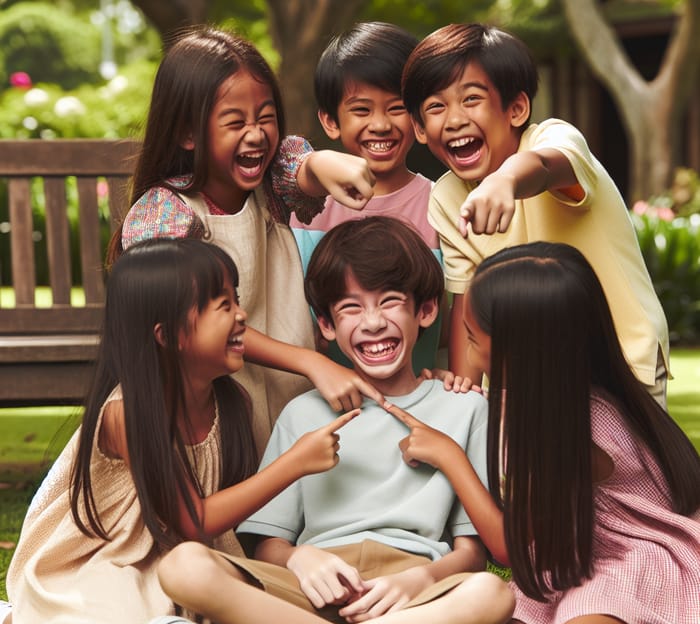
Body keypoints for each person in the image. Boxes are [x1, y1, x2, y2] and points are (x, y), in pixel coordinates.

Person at [133, 217, 514, 624]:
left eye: (390, 302)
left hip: (416, 586)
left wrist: (420, 581)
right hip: (311, 587)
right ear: (327, 326)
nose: (373, 322)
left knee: (492, 596)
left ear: (427, 310)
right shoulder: (302, 412)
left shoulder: (465, 408)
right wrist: (300, 561)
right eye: (351, 308)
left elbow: (471, 553)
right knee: (185, 566)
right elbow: (268, 542)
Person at [0, 238, 361, 624]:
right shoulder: (127, 413)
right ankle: (15, 622)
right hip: (103, 555)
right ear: (167, 335)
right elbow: (193, 519)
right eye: (222, 305)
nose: (241, 314)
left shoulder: (231, 404)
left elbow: (204, 529)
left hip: (177, 555)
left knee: (205, 614)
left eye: (237, 299)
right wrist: (294, 464)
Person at [385, 241, 700, 624]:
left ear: (521, 351)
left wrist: (451, 457)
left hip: (642, 561)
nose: (466, 352)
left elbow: (511, 550)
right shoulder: (555, 393)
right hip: (588, 557)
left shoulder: (563, 428)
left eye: (473, 338)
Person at [109, 26, 382, 456]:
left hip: (284, 391)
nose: (255, 134)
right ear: (188, 133)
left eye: (265, 117)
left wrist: (326, 160)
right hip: (207, 403)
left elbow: (302, 166)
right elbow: (187, 315)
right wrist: (310, 360)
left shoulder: (269, 188)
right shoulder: (167, 212)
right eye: (235, 122)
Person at [401, 22, 670, 406]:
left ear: (516, 108)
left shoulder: (554, 138)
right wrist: (467, 394)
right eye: (436, 107)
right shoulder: (446, 197)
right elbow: (465, 304)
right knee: (537, 467)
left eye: (471, 99)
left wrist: (506, 180)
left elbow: (547, 166)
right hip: (534, 373)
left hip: (622, 359)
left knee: (621, 466)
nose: (455, 119)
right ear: (421, 129)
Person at [290, 21, 445, 374]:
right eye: (361, 110)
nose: (380, 124)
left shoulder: (439, 205)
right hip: (321, 399)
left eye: (396, 108)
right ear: (330, 121)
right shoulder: (307, 208)